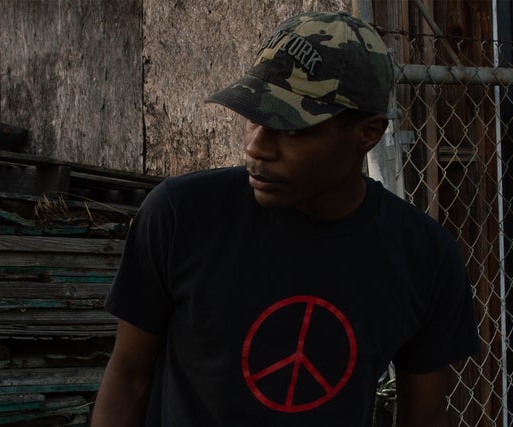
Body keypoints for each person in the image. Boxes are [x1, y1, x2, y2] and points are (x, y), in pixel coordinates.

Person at [91, 11, 480, 427]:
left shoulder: (423, 256)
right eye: (254, 116)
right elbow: (128, 377)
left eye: (292, 128)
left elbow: (426, 416)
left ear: (368, 133)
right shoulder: (180, 215)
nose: (256, 147)